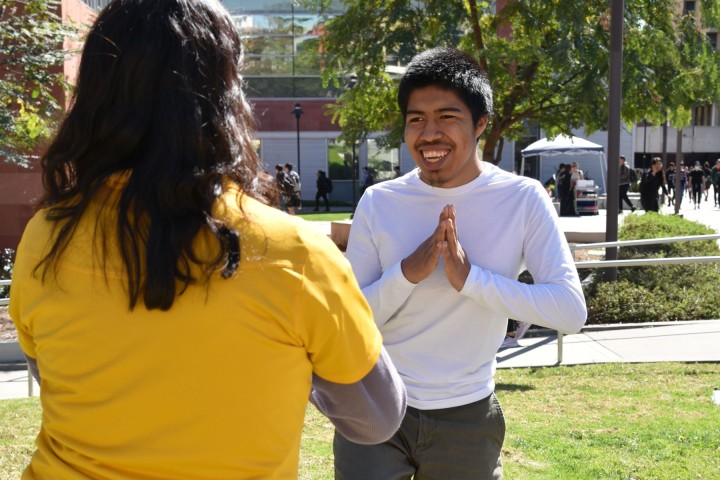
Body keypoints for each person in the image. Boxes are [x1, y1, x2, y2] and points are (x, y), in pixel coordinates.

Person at [8, 1, 406, 478]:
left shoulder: (46, 234)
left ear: (96, 94)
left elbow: (47, 372)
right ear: (227, 95)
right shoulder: (296, 254)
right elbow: (376, 419)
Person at [337, 47, 587, 479]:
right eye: (416, 119)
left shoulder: (523, 199)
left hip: (467, 415)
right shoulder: (379, 201)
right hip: (375, 406)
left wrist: (471, 279)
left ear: (481, 124)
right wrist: (407, 274)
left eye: (447, 116)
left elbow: (569, 310)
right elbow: (349, 318)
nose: (429, 133)